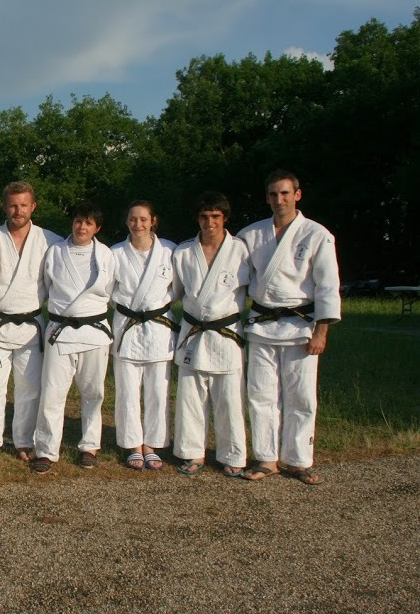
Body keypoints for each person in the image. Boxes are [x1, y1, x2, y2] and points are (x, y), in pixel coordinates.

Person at [238, 170, 341, 485]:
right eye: (273, 194)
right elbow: (238, 283)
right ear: (267, 197)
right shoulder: (250, 235)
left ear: (298, 194)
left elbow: (327, 287)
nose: (278, 200)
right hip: (261, 325)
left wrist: (322, 331)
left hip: (300, 327)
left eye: (284, 193)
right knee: (260, 395)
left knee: (300, 396)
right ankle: (266, 458)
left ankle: (298, 460)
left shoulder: (316, 234)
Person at [0, 182, 61, 463]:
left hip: (30, 323)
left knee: (29, 387)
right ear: (4, 206)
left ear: (33, 207)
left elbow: (75, 251)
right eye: (13, 205)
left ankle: (24, 440)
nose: (18, 211)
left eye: (24, 205)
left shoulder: (50, 240)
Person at [32, 202, 116, 474]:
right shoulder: (55, 252)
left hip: (94, 331)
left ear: (97, 228)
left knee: (93, 392)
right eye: (79, 221)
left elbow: (111, 291)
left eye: (89, 223)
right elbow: (44, 286)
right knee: (52, 393)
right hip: (61, 331)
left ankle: (89, 446)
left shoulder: (106, 255)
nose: (82, 227)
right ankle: (45, 450)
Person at [171, 193, 249, 477]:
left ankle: (233, 454)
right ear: (198, 219)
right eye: (204, 217)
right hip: (193, 331)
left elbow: (253, 290)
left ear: (224, 218)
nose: (209, 222)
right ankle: (192, 453)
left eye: (215, 217)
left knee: (229, 398)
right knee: (190, 397)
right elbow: (174, 293)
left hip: (226, 333)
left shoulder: (240, 250)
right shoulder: (183, 252)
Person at [109, 201, 177, 471]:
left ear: (153, 221)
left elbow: (178, 289)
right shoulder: (115, 253)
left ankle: (153, 444)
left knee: (158, 390)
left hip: (158, 326)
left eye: (143, 219)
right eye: (133, 219)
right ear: (127, 222)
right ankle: (132, 444)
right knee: (127, 390)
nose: (138, 224)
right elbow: (107, 290)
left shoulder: (169, 251)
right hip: (126, 325)